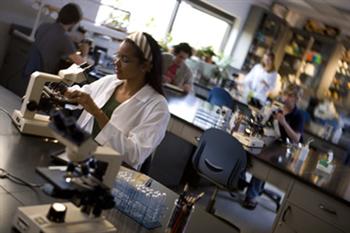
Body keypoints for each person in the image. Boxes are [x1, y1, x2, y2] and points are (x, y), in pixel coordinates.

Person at [64, 32, 170, 170]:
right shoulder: (110, 81)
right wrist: (66, 92)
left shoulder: (157, 107)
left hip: (110, 173)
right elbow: (83, 94)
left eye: (125, 59)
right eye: (117, 55)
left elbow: (134, 155)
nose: (116, 62)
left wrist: (98, 113)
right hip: (77, 157)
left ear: (145, 66)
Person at [242, 84, 305, 209]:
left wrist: (283, 122)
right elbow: (265, 123)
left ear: (296, 99)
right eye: (285, 94)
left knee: (263, 160)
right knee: (246, 146)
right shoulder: (277, 108)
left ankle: (252, 195)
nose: (286, 98)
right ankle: (239, 181)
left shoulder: (299, 116)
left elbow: (296, 139)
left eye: (290, 96)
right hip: (270, 140)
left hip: (286, 148)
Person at [29, 3, 86, 75]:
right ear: (74, 23)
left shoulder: (43, 26)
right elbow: (83, 65)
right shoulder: (64, 39)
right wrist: (85, 52)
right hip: (42, 77)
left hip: (29, 70)